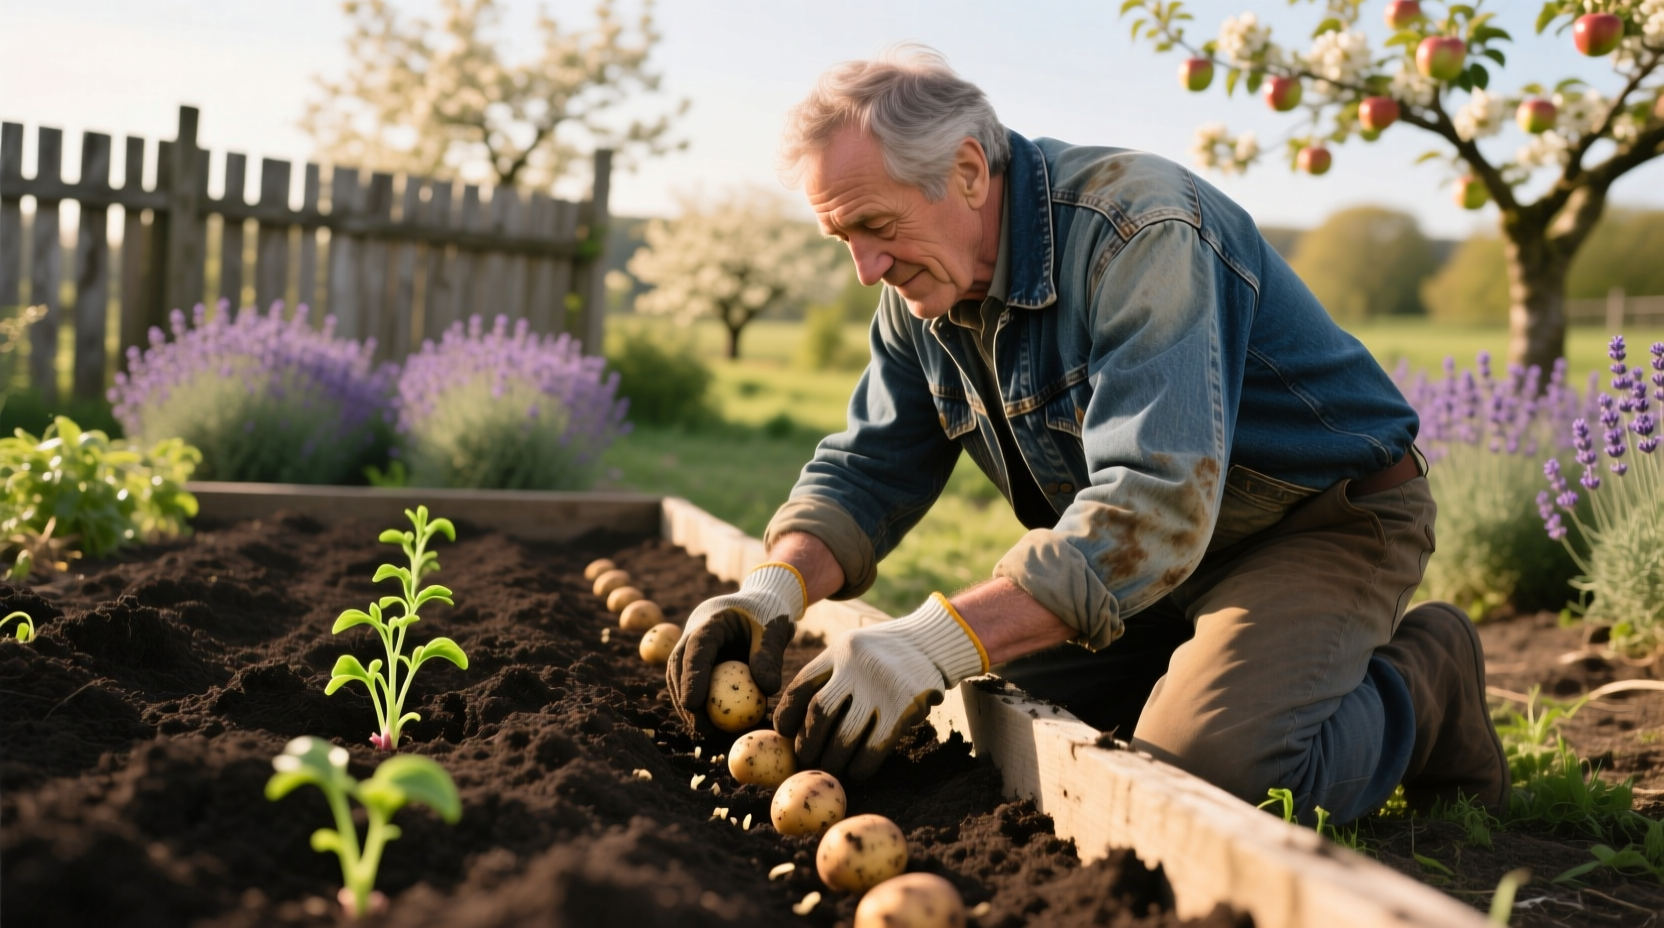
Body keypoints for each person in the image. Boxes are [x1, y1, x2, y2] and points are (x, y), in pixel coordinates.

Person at [664, 45, 1508, 823]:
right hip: (1144, 573)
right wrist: (772, 590)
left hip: (1317, 525)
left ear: (965, 171)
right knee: (984, 723)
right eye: (842, 238)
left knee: (1208, 777)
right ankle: (1203, 663)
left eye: (876, 227)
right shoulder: (923, 293)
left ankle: (1424, 683)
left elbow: (1153, 504)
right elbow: (866, 468)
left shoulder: (1139, 231)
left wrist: (929, 640)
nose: (866, 269)